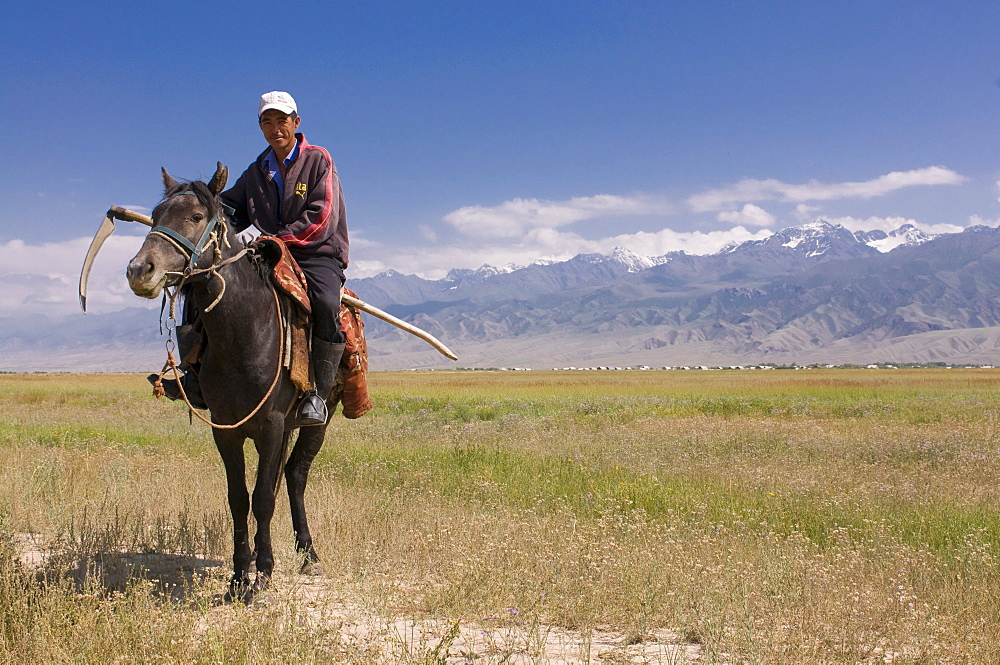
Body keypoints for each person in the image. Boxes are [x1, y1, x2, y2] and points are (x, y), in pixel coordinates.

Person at [218, 91, 351, 426]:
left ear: (296, 122)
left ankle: (317, 396)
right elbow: (230, 211)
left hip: (315, 252)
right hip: (267, 252)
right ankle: (196, 376)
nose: (275, 128)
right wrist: (198, 214)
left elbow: (323, 215)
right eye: (268, 121)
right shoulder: (255, 171)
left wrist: (279, 239)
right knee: (210, 282)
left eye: (282, 120)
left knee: (324, 303)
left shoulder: (318, 160)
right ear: (260, 126)